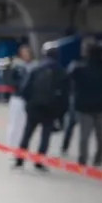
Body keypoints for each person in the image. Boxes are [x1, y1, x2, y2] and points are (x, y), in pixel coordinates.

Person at [14, 42, 71, 172]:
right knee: (45, 137)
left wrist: (29, 103)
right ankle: (39, 162)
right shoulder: (61, 72)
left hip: (34, 107)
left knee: (27, 134)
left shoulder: (36, 68)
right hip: (50, 110)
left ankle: (19, 160)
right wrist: (60, 113)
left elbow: (24, 89)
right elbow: (65, 95)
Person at [67, 38, 102, 167]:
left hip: (84, 106)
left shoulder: (78, 67)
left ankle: (83, 159)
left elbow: (69, 79)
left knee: (84, 135)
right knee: (100, 134)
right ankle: (99, 158)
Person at [4, 41, 34, 148]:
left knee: (23, 124)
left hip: (27, 99)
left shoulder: (32, 66)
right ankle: (10, 145)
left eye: (28, 52)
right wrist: (20, 86)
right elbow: (9, 80)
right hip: (16, 97)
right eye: (24, 52)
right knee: (14, 123)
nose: (26, 54)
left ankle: (19, 146)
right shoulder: (16, 65)